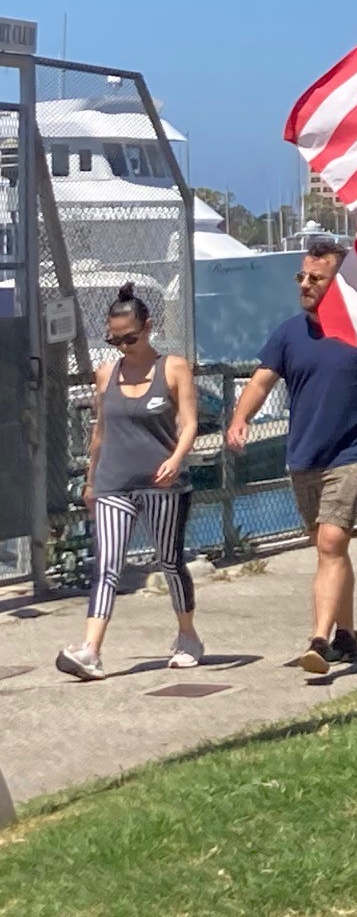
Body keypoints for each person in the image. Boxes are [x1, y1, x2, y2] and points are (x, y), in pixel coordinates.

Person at [227, 242, 357, 674]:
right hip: (303, 457)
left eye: (316, 278)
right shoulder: (290, 333)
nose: (306, 285)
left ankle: (319, 640)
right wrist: (240, 418)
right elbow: (259, 383)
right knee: (329, 548)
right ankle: (347, 634)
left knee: (331, 543)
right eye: (302, 277)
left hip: (349, 455)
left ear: (339, 283)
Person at [56, 284, 201, 682]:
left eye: (130, 338)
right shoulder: (107, 373)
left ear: (148, 327)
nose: (122, 346)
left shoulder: (173, 368)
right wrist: (91, 481)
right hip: (114, 483)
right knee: (107, 565)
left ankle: (187, 634)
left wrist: (175, 458)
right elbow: (99, 431)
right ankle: (91, 650)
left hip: (162, 484)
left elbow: (189, 423)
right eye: (114, 339)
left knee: (170, 561)